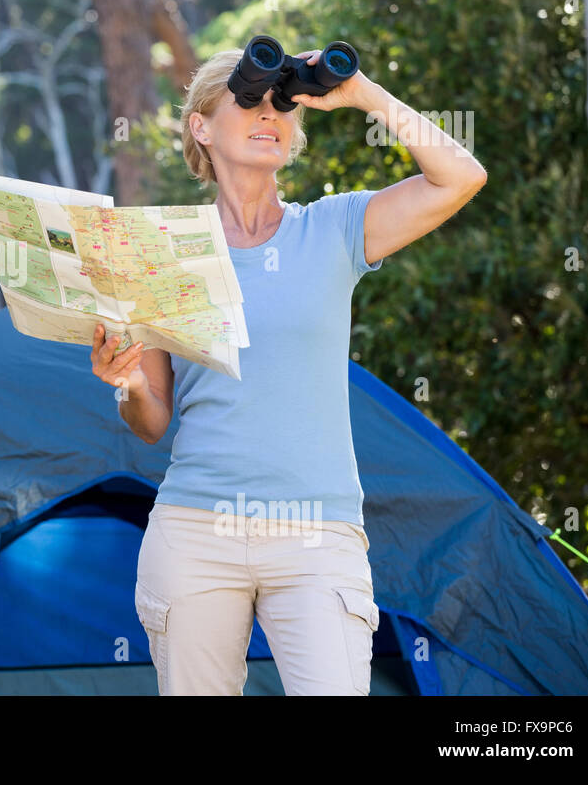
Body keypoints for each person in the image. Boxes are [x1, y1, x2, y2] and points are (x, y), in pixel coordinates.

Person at [92, 44, 487, 695]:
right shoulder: (162, 255)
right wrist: (127, 382)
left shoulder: (332, 230)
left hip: (317, 533)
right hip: (195, 531)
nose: (268, 112)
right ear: (200, 127)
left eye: (281, 102)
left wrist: (363, 95)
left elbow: (460, 178)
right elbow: (151, 421)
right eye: (248, 99)